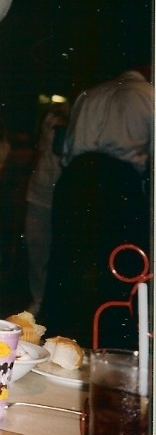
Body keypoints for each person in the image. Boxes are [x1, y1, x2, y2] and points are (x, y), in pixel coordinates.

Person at [39, 66, 153, 348]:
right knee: (121, 267)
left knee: (67, 263)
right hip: (118, 181)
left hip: (76, 180)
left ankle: (59, 337)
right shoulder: (148, 94)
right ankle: (114, 344)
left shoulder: (90, 94)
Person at [24, 101, 69, 314]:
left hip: (66, 189)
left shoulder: (81, 111)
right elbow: (39, 151)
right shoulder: (51, 116)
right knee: (37, 246)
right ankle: (38, 299)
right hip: (40, 189)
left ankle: (56, 305)